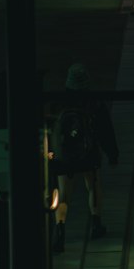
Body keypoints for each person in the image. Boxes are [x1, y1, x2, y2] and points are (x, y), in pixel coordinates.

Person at [49, 61, 119, 248]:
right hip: (88, 153)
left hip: (65, 156)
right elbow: (106, 131)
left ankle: (60, 228)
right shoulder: (94, 103)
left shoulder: (59, 103)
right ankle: (96, 223)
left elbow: (52, 130)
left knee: (64, 194)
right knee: (93, 185)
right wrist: (112, 153)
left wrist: (50, 154)